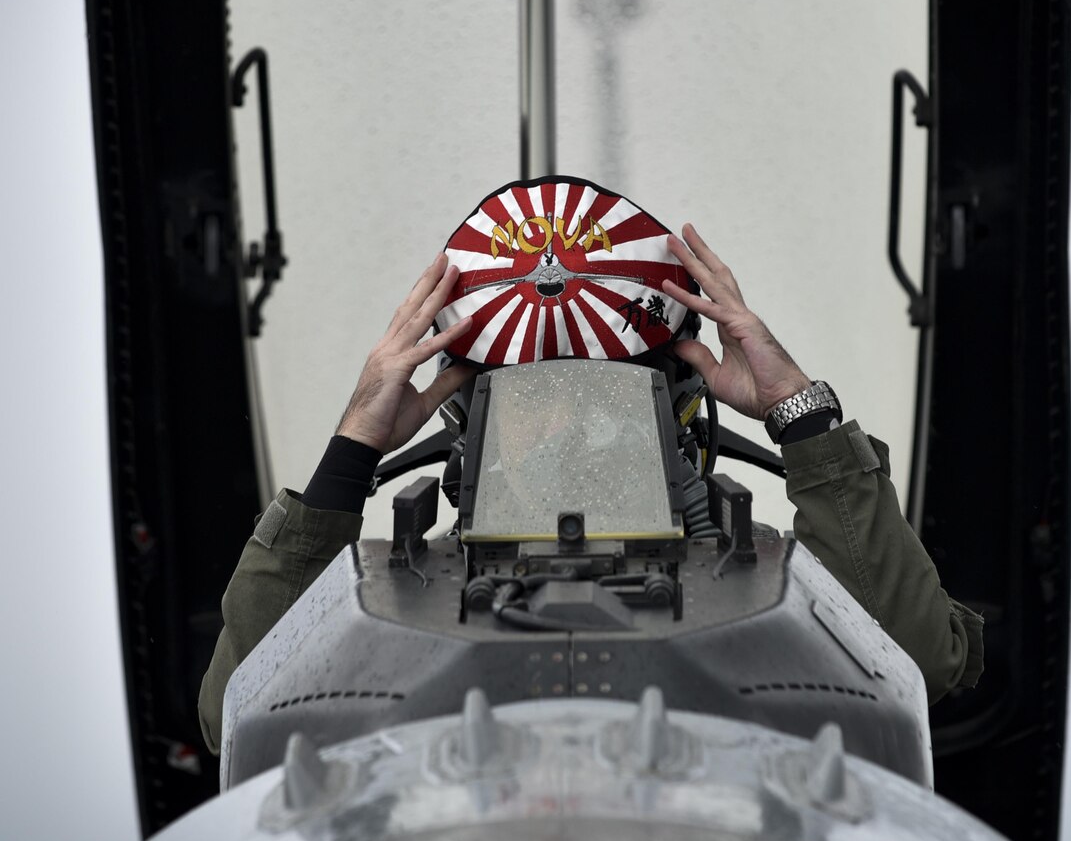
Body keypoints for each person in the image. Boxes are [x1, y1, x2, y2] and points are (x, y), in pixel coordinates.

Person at [197, 222, 984, 755]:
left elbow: (920, 660)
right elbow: (234, 709)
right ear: (471, 417)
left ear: (678, 410)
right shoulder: (391, 588)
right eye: (534, 398)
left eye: (604, 392)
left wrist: (802, 415)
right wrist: (353, 449)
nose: (570, 421)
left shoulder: (773, 576)